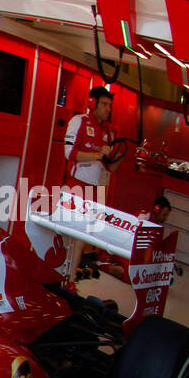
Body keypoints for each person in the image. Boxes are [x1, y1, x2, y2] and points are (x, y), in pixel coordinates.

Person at [63, 86, 123, 281]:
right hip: (75, 184)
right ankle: (59, 272)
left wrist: (121, 155)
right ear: (93, 103)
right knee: (67, 232)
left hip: (94, 190)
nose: (108, 109)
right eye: (105, 104)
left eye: (110, 105)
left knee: (81, 235)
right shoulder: (78, 121)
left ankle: (70, 278)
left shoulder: (108, 131)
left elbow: (110, 168)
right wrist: (98, 154)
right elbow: (69, 154)